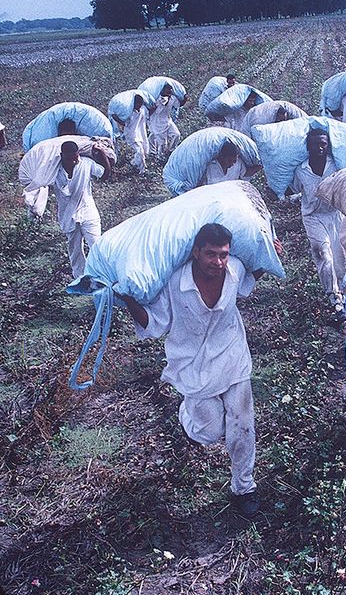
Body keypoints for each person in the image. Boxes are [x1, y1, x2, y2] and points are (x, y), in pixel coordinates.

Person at [117, 223, 282, 517]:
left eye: (223, 255)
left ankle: (244, 487)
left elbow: (247, 284)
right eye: (211, 255)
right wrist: (125, 297)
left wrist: (269, 257)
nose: (218, 262)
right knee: (208, 433)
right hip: (192, 363)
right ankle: (187, 415)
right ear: (196, 252)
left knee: (242, 424)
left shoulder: (235, 270)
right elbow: (154, 322)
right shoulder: (174, 284)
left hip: (232, 354)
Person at [291, 128, 346, 322]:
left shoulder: (336, 166)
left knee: (340, 259)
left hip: (335, 215)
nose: (319, 148)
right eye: (315, 144)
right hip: (313, 217)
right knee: (324, 255)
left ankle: (345, 291)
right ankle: (335, 299)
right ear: (308, 147)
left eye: (323, 143)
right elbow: (294, 189)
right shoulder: (302, 170)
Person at [52, 140, 111, 278]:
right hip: (68, 215)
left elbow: (104, 175)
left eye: (75, 158)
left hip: (88, 212)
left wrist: (102, 153)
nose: (73, 162)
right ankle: (80, 277)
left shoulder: (86, 164)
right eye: (69, 159)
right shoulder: (54, 170)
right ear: (62, 155)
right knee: (75, 249)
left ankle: (104, 275)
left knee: (96, 245)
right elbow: (40, 181)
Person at [149, 84, 181, 158]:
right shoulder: (156, 99)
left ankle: (171, 150)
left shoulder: (173, 99)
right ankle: (159, 157)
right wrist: (158, 104)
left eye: (170, 91)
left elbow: (178, 105)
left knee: (176, 134)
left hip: (167, 120)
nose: (169, 93)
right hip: (157, 123)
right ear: (162, 91)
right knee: (162, 144)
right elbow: (150, 111)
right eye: (167, 91)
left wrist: (185, 99)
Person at [121, 94, 151, 174]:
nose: (139, 105)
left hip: (140, 133)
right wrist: (116, 118)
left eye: (140, 103)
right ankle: (142, 170)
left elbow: (148, 114)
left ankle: (134, 163)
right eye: (137, 103)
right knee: (139, 151)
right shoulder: (129, 112)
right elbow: (124, 123)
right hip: (131, 134)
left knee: (145, 150)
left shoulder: (143, 110)